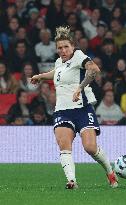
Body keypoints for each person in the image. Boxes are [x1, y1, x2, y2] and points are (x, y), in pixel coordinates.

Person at [30, 26, 118, 189]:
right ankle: (72, 181)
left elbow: (94, 70)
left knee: (90, 147)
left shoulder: (78, 56)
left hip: (82, 109)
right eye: (60, 48)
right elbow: (56, 72)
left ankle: (110, 172)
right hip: (62, 111)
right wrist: (41, 77)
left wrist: (80, 87)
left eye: (66, 47)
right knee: (64, 144)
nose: (63, 50)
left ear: (72, 46)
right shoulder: (59, 62)